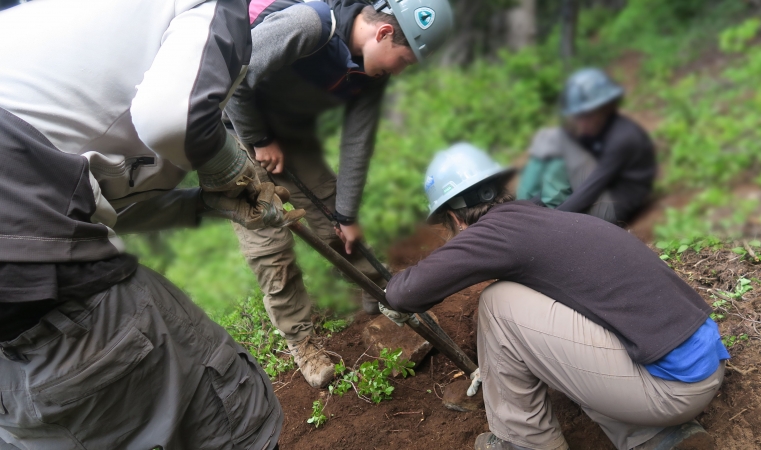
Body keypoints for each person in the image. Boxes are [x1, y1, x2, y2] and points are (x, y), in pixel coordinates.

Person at [0, 0, 290, 448]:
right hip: (69, 313)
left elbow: (65, 208)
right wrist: (228, 165)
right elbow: (174, 118)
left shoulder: (37, 33)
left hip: (13, 373)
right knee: (233, 431)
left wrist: (203, 204)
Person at [381, 144, 729, 450]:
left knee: (498, 302)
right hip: (702, 366)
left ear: (455, 217)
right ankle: (651, 437)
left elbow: (406, 292)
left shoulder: (496, 233)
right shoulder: (546, 220)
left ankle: (523, 442)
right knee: (556, 319)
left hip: (671, 389)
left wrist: (392, 294)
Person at [222, 0, 454, 388]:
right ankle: (301, 342)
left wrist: (346, 214)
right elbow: (234, 76)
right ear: (383, 33)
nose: (401, 71)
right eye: (406, 61)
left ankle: (379, 292)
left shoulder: (371, 72)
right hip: (228, 130)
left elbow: (356, 143)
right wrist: (259, 139)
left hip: (286, 131)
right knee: (268, 239)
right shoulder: (307, 25)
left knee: (330, 210)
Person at [517, 68, 656, 225]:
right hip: (603, 192)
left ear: (606, 108)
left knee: (556, 139)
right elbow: (568, 178)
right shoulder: (602, 128)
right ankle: (522, 209)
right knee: (553, 145)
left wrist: (552, 220)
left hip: (613, 208)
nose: (581, 123)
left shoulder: (623, 139)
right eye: (578, 116)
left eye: (587, 115)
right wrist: (535, 204)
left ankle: (524, 213)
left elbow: (589, 189)